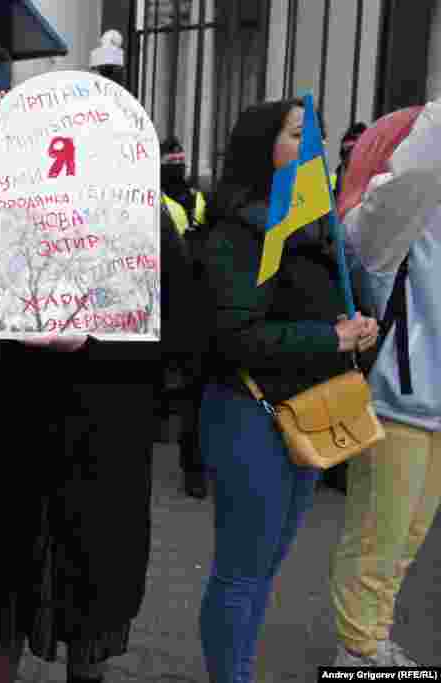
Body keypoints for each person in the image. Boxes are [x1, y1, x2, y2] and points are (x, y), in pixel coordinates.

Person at [0, 89, 196, 683]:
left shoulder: (144, 215)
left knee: (93, 599)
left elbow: (183, 332)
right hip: (15, 426)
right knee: (0, 592)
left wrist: (97, 340)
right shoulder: (6, 200)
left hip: (104, 436)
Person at [197, 99, 378, 683]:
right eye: (299, 135)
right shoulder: (234, 231)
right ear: (262, 147)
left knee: (267, 567)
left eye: (314, 136)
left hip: (309, 414)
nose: (313, 148)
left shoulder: (314, 222)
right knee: (242, 572)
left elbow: (343, 301)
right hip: (250, 416)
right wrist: (330, 336)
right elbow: (237, 336)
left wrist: (363, 325)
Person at [328, 99, 441, 667]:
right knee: (378, 540)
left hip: (431, 404)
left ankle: (372, 643)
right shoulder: (382, 225)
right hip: (397, 403)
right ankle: (358, 654)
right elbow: (420, 170)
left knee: (402, 546)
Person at [158, 136, 209, 498]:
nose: (177, 162)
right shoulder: (156, 199)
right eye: (171, 157)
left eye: (180, 156)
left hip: (197, 293)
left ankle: (196, 465)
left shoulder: (198, 198)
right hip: (166, 289)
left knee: (192, 380)